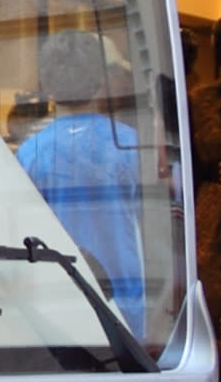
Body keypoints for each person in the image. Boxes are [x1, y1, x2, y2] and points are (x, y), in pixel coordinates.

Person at [12, 33, 151, 313]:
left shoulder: (30, 152)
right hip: (126, 304)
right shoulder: (130, 144)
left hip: (59, 302)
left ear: (46, 84)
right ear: (102, 81)